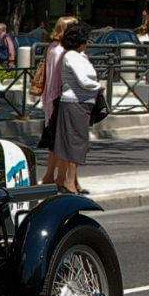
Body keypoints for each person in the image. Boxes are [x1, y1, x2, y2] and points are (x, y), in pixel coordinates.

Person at [51, 23, 98, 194]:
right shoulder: (72, 56)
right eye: (85, 39)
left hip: (79, 103)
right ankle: (68, 182)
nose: (88, 43)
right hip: (74, 103)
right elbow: (85, 81)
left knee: (72, 142)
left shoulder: (78, 56)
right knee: (75, 143)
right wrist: (99, 86)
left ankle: (65, 180)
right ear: (80, 40)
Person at [39, 15, 78, 186]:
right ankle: (62, 179)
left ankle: (50, 176)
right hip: (60, 98)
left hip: (50, 97)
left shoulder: (53, 47)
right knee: (63, 142)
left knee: (55, 141)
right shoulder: (63, 50)